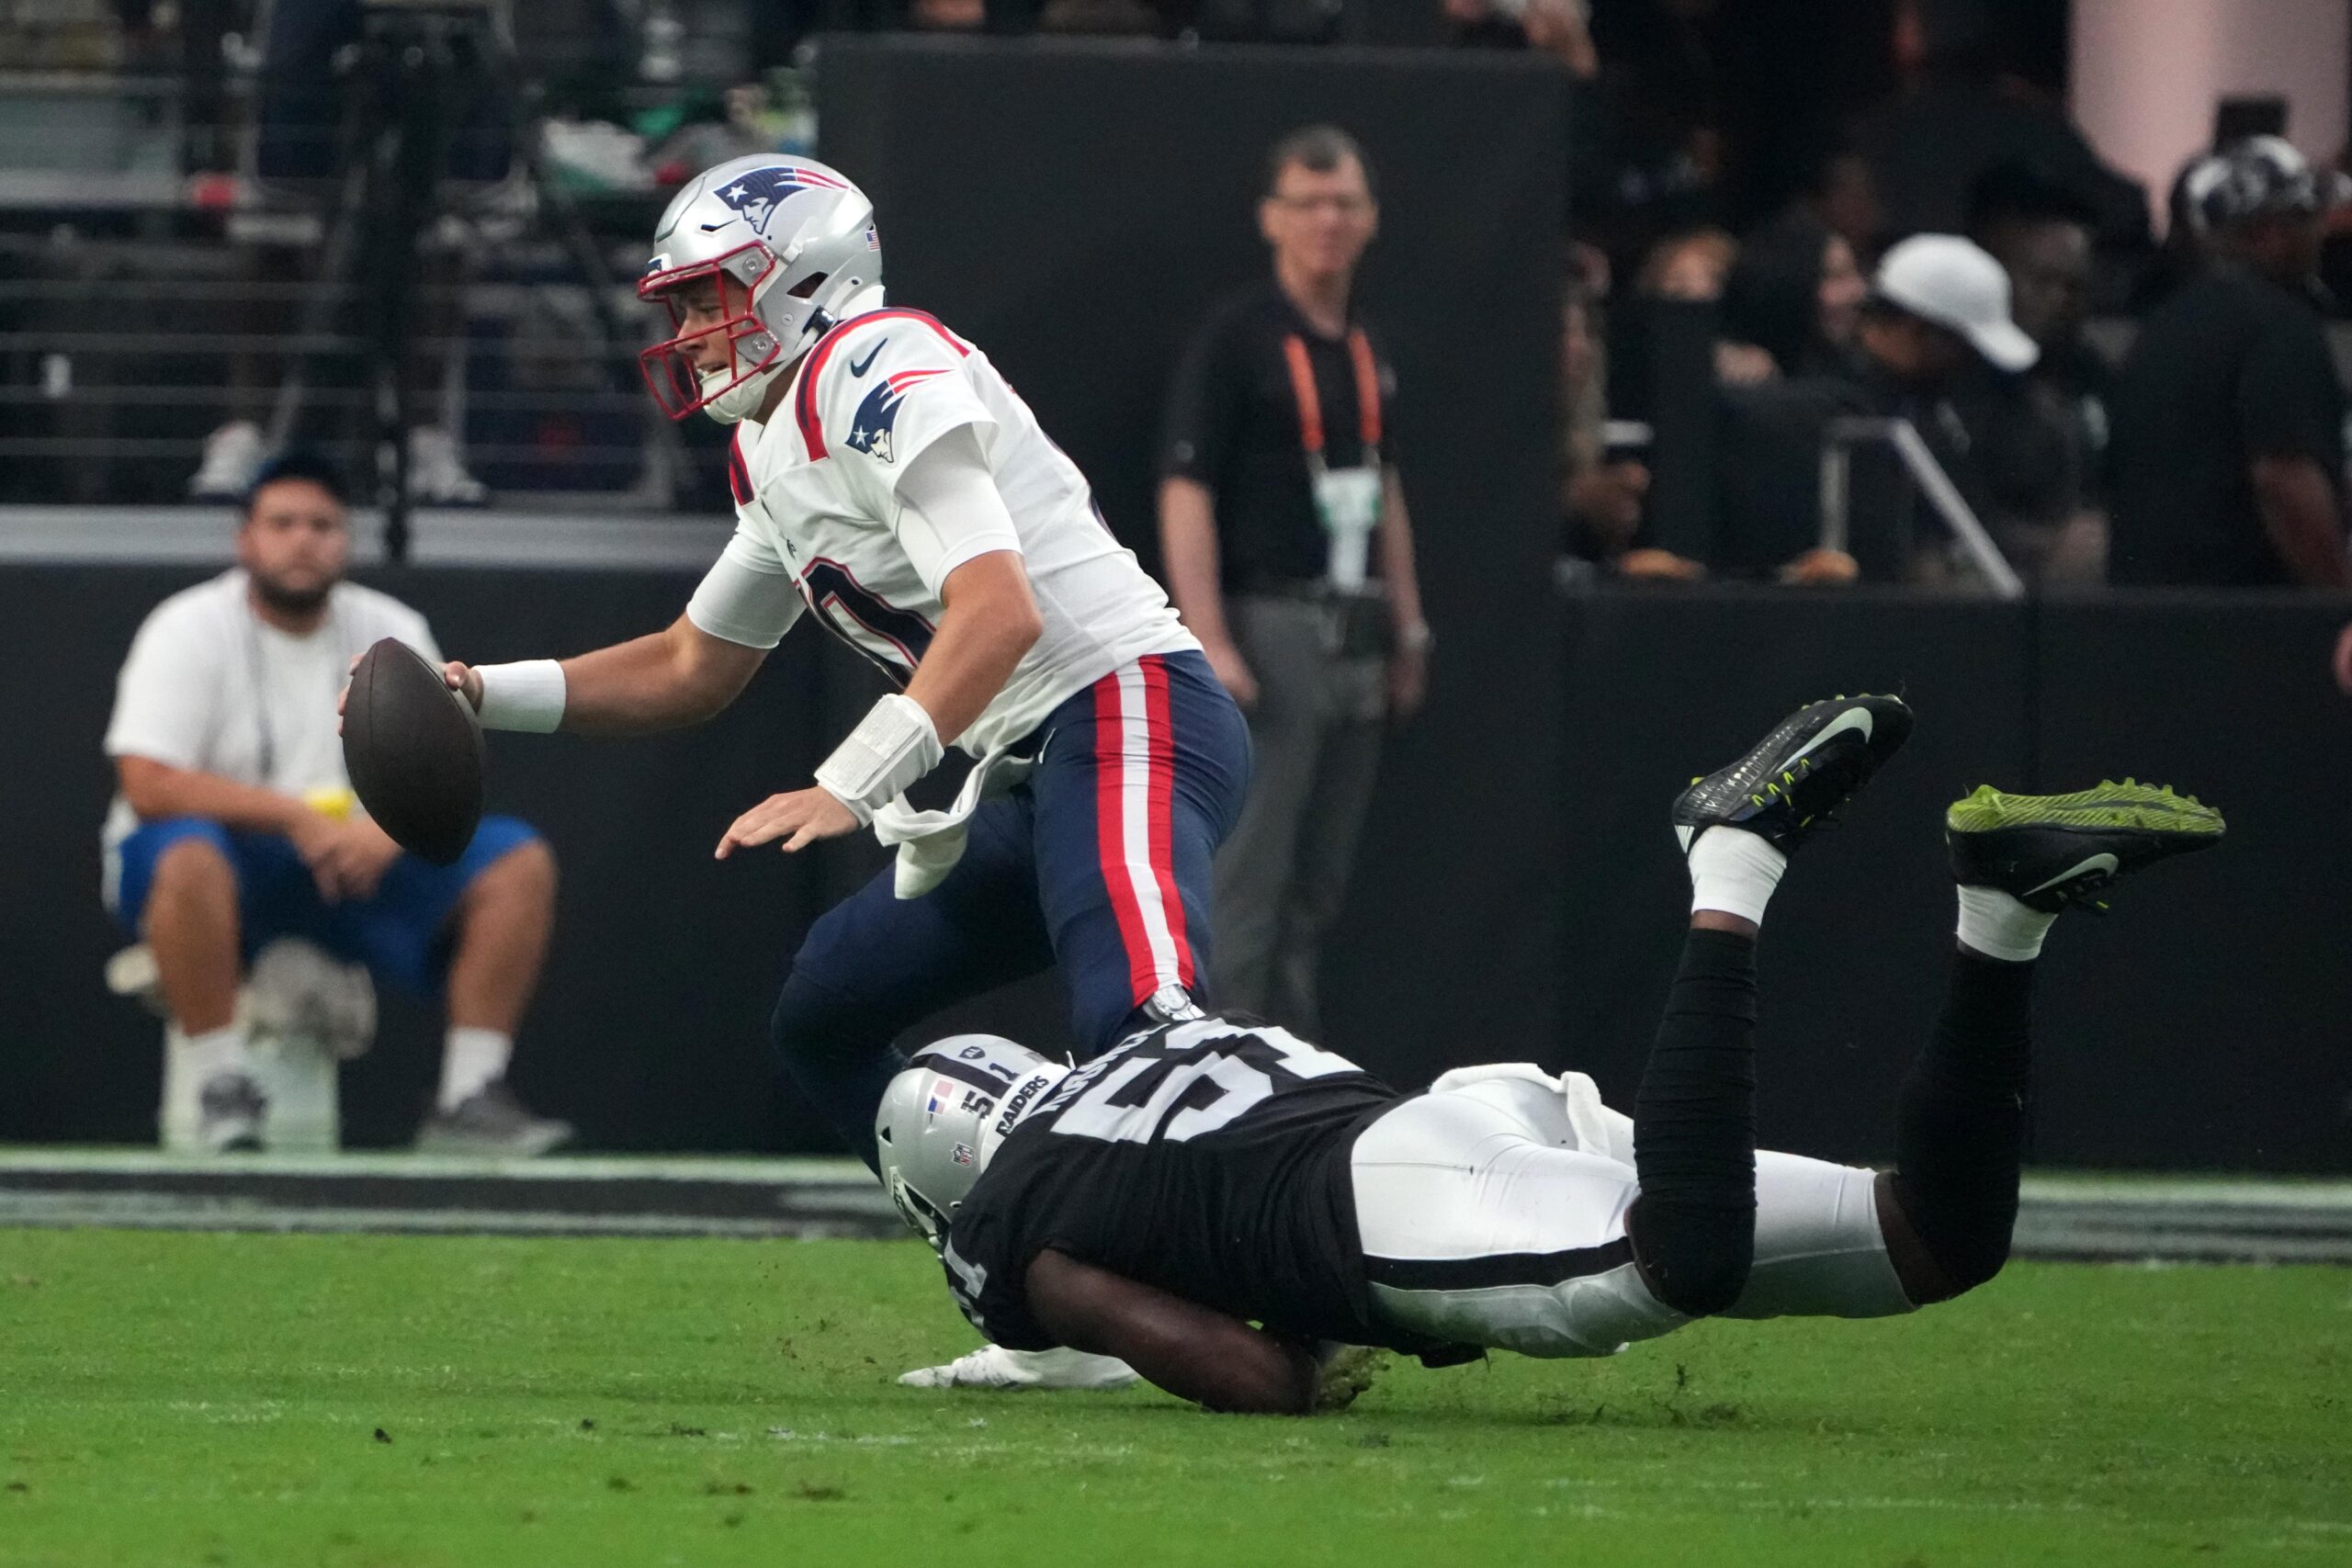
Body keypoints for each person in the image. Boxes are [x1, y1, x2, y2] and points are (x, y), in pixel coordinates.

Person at [415, 154, 1247, 1390]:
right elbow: (693, 661)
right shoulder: (773, 444)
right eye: (683, 307)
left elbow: (1001, 609)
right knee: (829, 1011)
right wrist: (484, 695)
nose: (691, 331)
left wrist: (853, 781)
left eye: (709, 298)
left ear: (806, 279)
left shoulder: (879, 359)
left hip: (1127, 708)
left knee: (1143, 1023)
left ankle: (1276, 1271)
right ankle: (1052, 1295)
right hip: (1024, 767)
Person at [878, 695, 2223, 1413]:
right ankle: (2001, 911)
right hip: (1458, 1114)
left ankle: (1731, 862)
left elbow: (1258, 1377)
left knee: (1676, 1260)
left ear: (949, 1184)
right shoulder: (1140, 1053)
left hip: (1388, 1209)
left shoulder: (1023, 1223)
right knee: (1933, 1235)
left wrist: (1300, 1344)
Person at [104, 454, 567, 1155]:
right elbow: (147, 782)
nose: (302, 540)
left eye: (322, 524)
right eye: (282, 523)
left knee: (517, 861)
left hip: (359, 863)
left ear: (346, 540)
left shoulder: (392, 626)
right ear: (245, 539)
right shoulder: (186, 625)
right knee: (188, 847)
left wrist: (386, 833)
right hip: (230, 861)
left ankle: (468, 1097)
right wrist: (296, 818)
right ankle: (221, 1087)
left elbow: (446, 765)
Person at [1157, 126, 1430, 1037]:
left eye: (1344, 203)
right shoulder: (1236, 340)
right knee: (1250, 882)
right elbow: (1185, 486)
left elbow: (1382, 483)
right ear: (1272, 218)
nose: (1327, 220)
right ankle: (1218, 1075)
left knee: (1316, 888)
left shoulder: (1366, 348)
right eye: (1308, 202)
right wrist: (1209, 636)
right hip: (1267, 626)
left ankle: (1291, 1080)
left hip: (1354, 624)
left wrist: (1410, 625)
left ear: (1371, 220)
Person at [2107, 139, 2352, 589]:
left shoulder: (2161, 326)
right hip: (2244, 625)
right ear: (2269, 234)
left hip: (2140, 619)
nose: (2322, 233)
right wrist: (2336, 598)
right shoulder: (2278, 324)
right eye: (2307, 219)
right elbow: (2282, 477)